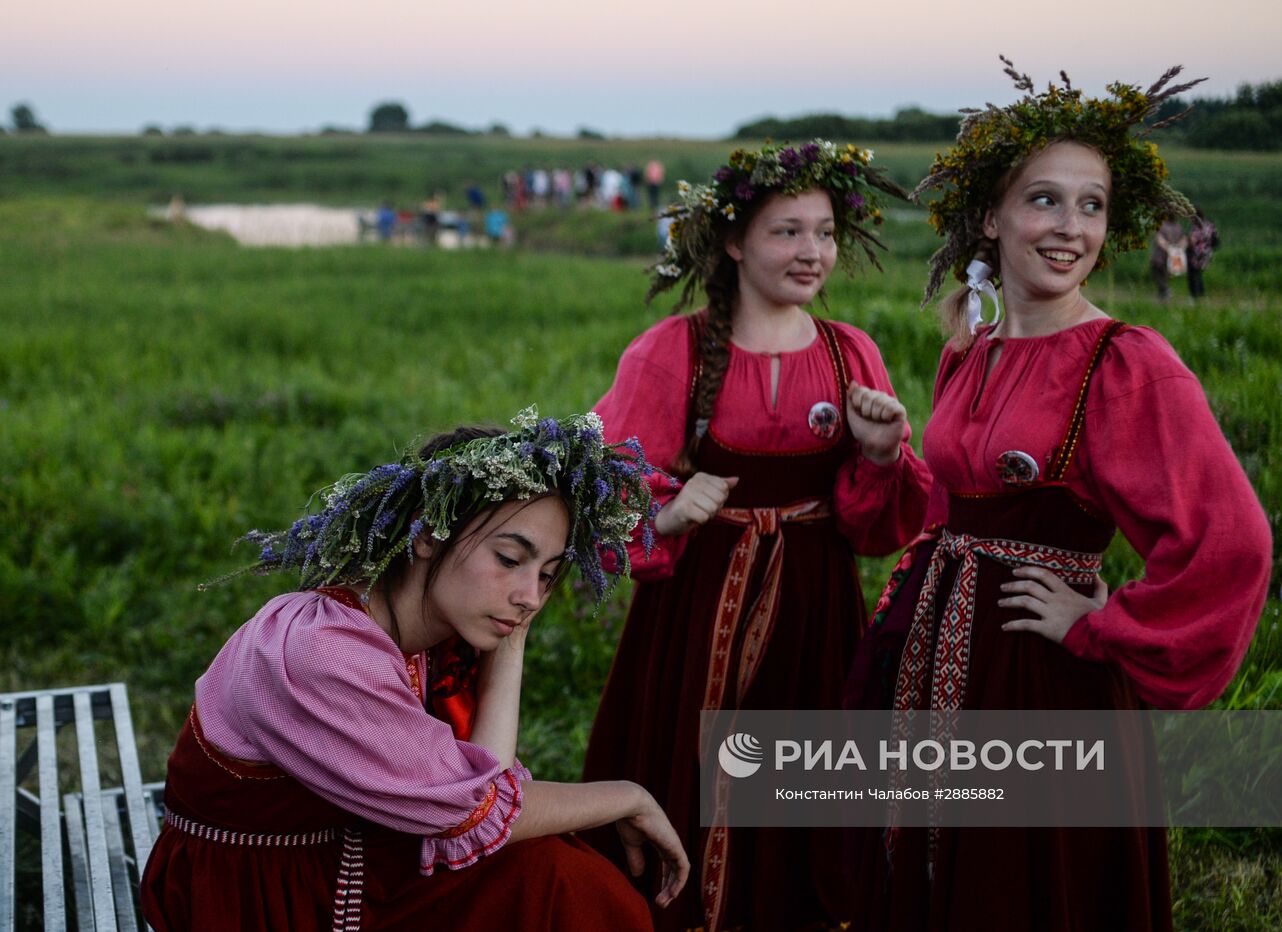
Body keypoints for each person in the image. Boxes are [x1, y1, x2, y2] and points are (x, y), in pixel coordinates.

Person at [844, 59, 1272, 931]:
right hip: (930, 659)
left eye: (1092, 204)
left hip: (1037, 674)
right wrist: (891, 458)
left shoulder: (1125, 362)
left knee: (1025, 884)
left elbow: (1230, 542)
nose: (1070, 226)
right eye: (1044, 199)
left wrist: (1104, 623)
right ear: (992, 216)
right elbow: (949, 513)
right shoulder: (974, 348)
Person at [139, 409, 689, 931]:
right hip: (260, 898)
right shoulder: (323, 652)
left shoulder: (420, 633)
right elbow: (481, 810)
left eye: (547, 574)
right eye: (508, 558)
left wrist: (509, 641)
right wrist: (630, 795)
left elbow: (482, 794)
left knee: (558, 874)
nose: (530, 597)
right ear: (428, 535)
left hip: (339, 860)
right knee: (561, 885)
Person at [583, 141, 933, 932]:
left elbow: (876, 528)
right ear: (735, 242)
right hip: (696, 614)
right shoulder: (670, 351)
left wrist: (882, 457)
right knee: (689, 774)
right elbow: (602, 484)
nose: (812, 252)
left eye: (825, 232)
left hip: (816, 611)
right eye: (787, 232)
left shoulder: (851, 353)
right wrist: (666, 512)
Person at [1149, 215, 1187, 301]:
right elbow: (1184, 239)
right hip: (1173, 256)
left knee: (1156, 274)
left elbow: (1159, 239)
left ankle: (1166, 290)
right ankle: (1163, 297)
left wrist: (1168, 248)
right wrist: (1178, 249)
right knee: (1165, 276)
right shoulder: (1178, 227)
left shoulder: (1161, 225)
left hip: (1159, 256)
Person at [1187, 209, 1221, 300]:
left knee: (1193, 275)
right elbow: (1216, 238)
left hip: (1196, 254)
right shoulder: (1210, 225)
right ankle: (1201, 294)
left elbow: (1192, 241)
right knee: (1199, 273)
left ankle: (1195, 296)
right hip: (1207, 253)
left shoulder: (1196, 227)